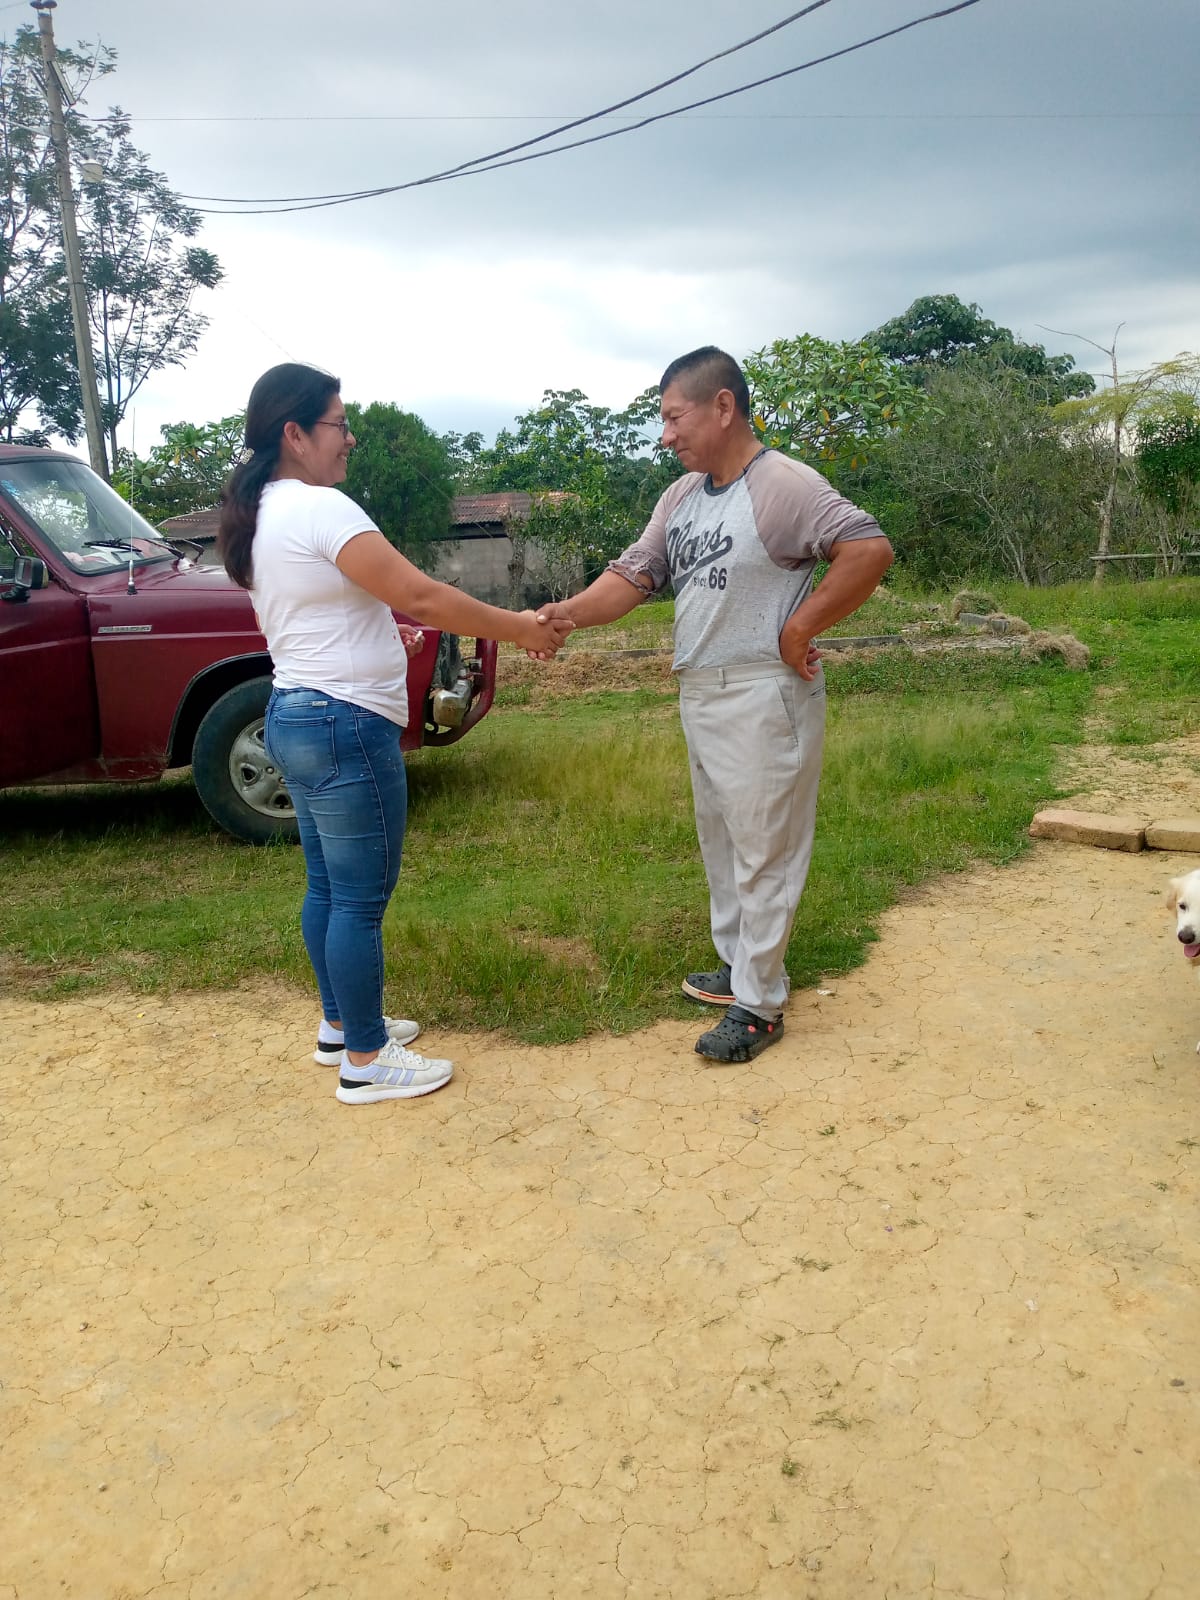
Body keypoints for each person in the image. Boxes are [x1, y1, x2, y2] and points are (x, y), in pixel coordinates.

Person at [218, 363, 571, 1105]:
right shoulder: (322, 508)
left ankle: (341, 1027)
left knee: (328, 887)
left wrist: (386, 637)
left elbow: (329, 611)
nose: (350, 439)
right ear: (295, 433)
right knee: (359, 899)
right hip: (344, 725)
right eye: (340, 425)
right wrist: (520, 627)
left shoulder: (262, 514)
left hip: (296, 714)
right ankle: (368, 1061)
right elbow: (420, 594)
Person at [535, 346, 894, 1064]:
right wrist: (563, 615)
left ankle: (760, 1005)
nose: (666, 434)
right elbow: (633, 577)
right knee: (724, 843)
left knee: (765, 848)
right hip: (701, 688)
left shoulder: (782, 484)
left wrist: (798, 629)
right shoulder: (681, 497)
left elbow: (868, 549)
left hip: (763, 691)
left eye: (675, 417)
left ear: (723, 407)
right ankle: (737, 967)